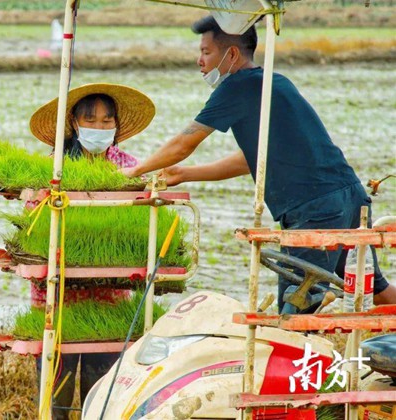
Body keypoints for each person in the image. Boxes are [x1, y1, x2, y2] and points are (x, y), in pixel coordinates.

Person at [121, 15, 396, 313]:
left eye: (206, 52)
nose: (199, 60)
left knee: (298, 304)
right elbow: (253, 159)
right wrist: (186, 173)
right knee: (375, 289)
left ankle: (297, 355)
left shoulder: (236, 87)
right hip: (350, 197)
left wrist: (135, 170)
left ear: (232, 54)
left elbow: (184, 142)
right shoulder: (273, 83)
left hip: (315, 209)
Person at [28, 83, 155, 419]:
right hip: (58, 298)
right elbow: (32, 222)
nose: (99, 128)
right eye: (91, 120)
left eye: (106, 121)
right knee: (56, 395)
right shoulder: (52, 167)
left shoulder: (129, 167)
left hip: (110, 298)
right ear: (73, 123)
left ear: (116, 125)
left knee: (102, 395)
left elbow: (142, 223)